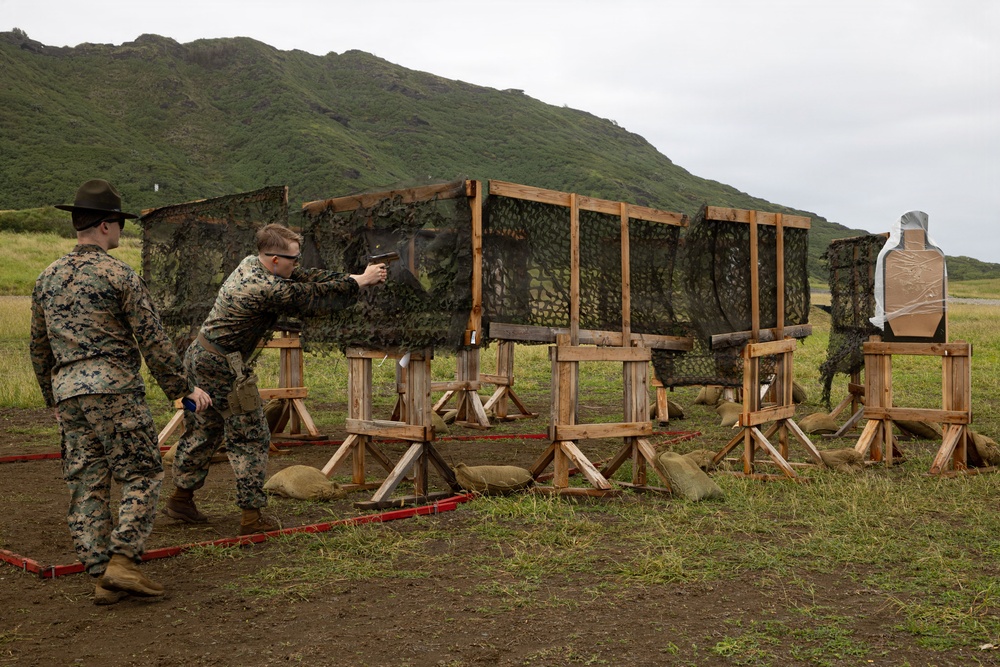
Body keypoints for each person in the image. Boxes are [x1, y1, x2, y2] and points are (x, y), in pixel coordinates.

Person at [30, 179, 212, 605]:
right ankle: (123, 561)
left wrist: (52, 398)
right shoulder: (120, 274)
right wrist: (183, 390)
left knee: (87, 481)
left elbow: (39, 346)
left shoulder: (47, 277)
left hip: (68, 391)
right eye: (120, 224)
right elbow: (154, 340)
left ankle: (100, 575)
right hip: (113, 388)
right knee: (142, 472)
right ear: (108, 226)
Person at [164, 223, 386, 535]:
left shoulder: (254, 264)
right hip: (222, 366)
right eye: (293, 259)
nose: (297, 264)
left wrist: (354, 277)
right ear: (275, 260)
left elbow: (307, 277)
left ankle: (181, 498)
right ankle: (251, 518)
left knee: (204, 430)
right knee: (252, 436)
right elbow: (309, 296)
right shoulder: (264, 289)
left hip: (204, 358)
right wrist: (361, 283)